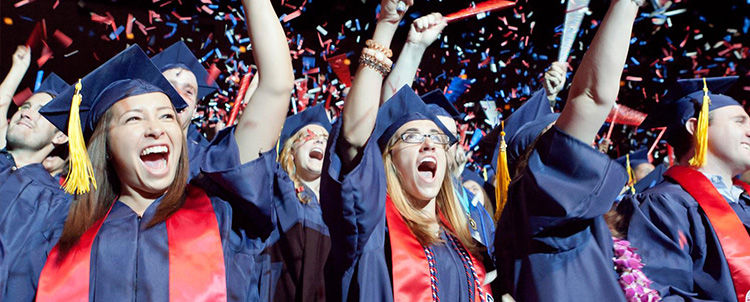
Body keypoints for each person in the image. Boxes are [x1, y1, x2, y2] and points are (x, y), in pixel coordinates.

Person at [320, 2, 494, 300]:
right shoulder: (372, 226)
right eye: (411, 136)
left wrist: (415, 46)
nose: (428, 143)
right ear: (388, 160)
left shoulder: (463, 239)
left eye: (435, 138)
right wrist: (387, 25)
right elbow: (357, 136)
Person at [493, 0, 657, 301]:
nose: (583, 142)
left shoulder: (580, 218)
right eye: (559, 136)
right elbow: (592, 97)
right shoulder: (536, 203)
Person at [616, 76, 750, 302]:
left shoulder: (744, 202)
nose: (749, 131)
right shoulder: (663, 205)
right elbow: (661, 294)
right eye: (739, 121)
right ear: (696, 127)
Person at [258, 103, 332, 301]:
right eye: (309, 135)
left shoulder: (338, 208)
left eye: (326, 139)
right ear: (290, 151)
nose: (319, 141)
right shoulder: (273, 189)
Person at [150, 40, 220, 180]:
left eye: (188, 92)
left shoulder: (209, 166)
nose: (179, 96)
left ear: (195, 109)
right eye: (169, 87)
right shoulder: (132, 156)